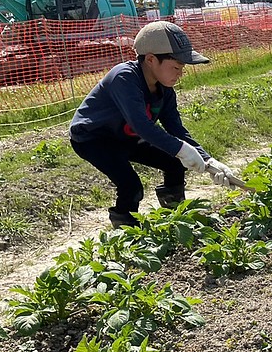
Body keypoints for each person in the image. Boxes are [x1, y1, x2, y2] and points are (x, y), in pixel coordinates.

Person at [69, 21, 234, 228]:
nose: (180, 74)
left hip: (126, 137)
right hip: (94, 139)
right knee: (131, 186)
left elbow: (176, 130)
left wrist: (208, 160)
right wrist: (182, 150)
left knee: (174, 163)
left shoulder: (165, 91)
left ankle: (175, 219)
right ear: (151, 59)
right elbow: (142, 126)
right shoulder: (124, 78)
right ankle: (127, 235)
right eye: (175, 67)